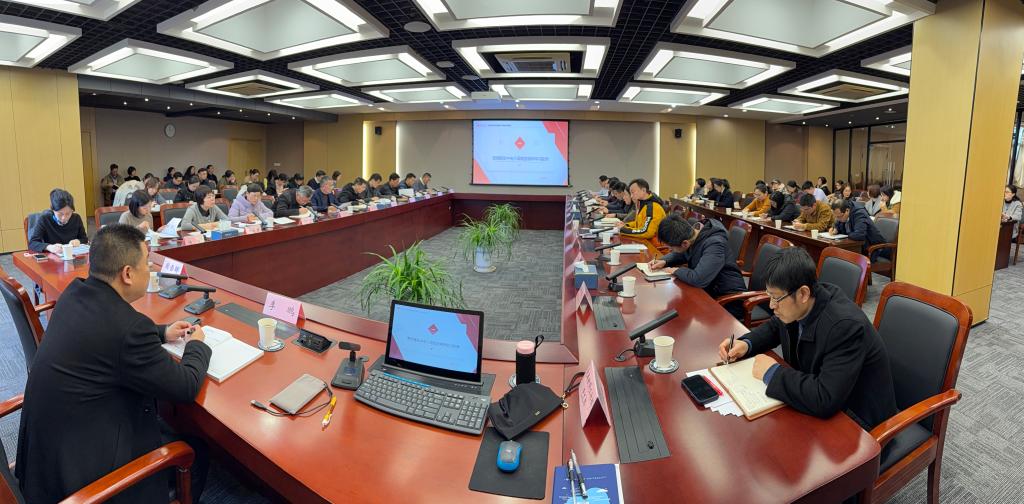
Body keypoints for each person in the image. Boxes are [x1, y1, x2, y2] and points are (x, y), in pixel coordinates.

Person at [16, 224, 212, 503]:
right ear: (128, 274)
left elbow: (108, 334)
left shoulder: (76, 293)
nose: (151, 270)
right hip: (83, 480)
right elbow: (185, 387)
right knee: (195, 451)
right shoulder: (129, 329)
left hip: (46, 462)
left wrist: (161, 332)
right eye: (147, 263)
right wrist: (197, 345)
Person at [717, 247, 897, 431]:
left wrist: (772, 373)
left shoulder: (845, 327)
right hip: (825, 397)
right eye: (769, 295)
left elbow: (825, 398)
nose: (771, 305)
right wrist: (746, 343)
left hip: (858, 420)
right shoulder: (804, 301)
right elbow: (775, 326)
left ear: (803, 293)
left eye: (776, 298)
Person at [649, 215, 746, 320]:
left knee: (679, 315)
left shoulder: (715, 244)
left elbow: (698, 279)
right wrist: (664, 261)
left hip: (727, 301)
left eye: (671, 248)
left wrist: (676, 270)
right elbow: (684, 253)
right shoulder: (693, 233)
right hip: (706, 293)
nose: (670, 250)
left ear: (685, 243)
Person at [28, 189, 88, 253]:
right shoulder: (44, 219)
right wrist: (49, 247)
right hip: (52, 256)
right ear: (53, 210)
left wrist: (78, 241)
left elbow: (84, 239)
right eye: (60, 214)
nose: (64, 218)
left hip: (73, 255)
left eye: (68, 213)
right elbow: (33, 243)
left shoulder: (76, 218)